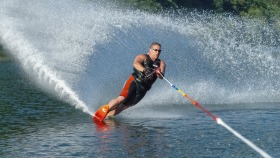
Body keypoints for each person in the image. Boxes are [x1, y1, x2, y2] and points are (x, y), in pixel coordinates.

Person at [99, 42, 166, 118]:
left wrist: (159, 73)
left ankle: (106, 117)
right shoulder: (143, 57)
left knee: (124, 107)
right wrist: (145, 70)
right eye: (155, 50)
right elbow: (136, 64)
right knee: (122, 98)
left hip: (144, 89)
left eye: (159, 51)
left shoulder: (161, 63)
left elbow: (161, 77)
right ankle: (103, 112)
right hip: (135, 81)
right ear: (150, 50)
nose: (157, 52)